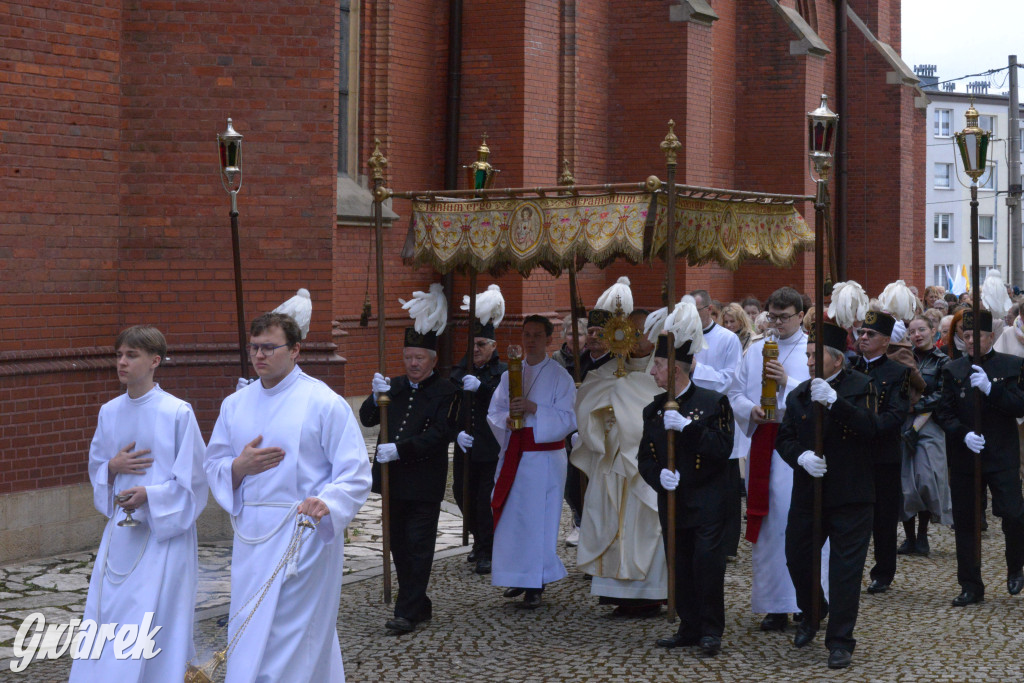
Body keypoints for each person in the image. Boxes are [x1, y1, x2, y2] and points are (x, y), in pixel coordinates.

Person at [205, 313, 371, 681]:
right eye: (254, 347)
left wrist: (328, 502)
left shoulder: (322, 402)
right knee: (250, 622)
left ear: (296, 350)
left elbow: (355, 471)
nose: (259, 356)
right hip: (252, 538)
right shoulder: (235, 404)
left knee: (293, 630)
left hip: (304, 533)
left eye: (269, 347)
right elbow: (212, 463)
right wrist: (238, 468)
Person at [71, 326, 207, 682]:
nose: (122, 362)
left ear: (155, 361)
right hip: (121, 534)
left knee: (156, 616)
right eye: (119, 355)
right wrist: (112, 469)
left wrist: (151, 495)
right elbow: (98, 466)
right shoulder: (109, 411)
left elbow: (194, 479)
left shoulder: (177, 412)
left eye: (131, 355)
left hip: (165, 536)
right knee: (112, 611)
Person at [777, 321, 878, 670]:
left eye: (813, 355)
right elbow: (784, 438)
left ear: (837, 360)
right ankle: (813, 609)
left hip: (851, 494)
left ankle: (840, 640)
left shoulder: (862, 386)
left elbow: (872, 429)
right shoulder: (799, 394)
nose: (807, 362)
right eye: (805, 355)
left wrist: (837, 404)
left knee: (844, 571)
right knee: (797, 556)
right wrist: (800, 457)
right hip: (810, 493)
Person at [638, 307, 734, 657]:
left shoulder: (713, 403)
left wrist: (689, 429)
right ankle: (688, 625)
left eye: (659, 365)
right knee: (679, 563)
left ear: (677, 370)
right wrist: (658, 476)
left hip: (707, 498)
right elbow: (645, 458)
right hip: (673, 498)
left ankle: (711, 629)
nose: (653, 371)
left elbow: (723, 449)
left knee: (706, 565)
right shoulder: (652, 410)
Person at [359, 290, 457, 634]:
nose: (413, 364)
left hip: (424, 483)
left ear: (432, 359)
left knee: (418, 546)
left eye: (419, 358)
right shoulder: (395, 386)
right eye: (408, 357)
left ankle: (407, 612)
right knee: (399, 546)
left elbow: (440, 433)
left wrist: (400, 449)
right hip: (393, 483)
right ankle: (420, 602)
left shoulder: (445, 391)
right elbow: (369, 418)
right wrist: (374, 396)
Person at [728, 286, 817, 631]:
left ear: (800, 315)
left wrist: (788, 382)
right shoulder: (753, 350)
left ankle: (807, 602)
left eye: (785, 317)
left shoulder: (810, 350)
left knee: (797, 524)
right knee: (768, 526)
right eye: (772, 316)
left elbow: (820, 393)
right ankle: (775, 605)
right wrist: (749, 410)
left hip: (797, 444)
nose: (777, 323)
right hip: (763, 440)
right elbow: (734, 391)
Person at [572, 299, 666, 617]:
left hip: (649, 465)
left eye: (642, 331)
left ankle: (652, 593)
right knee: (610, 520)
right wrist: (605, 414)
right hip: (613, 462)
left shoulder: (665, 371)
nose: (636, 337)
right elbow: (585, 410)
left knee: (647, 526)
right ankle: (616, 593)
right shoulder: (606, 373)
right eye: (631, 331)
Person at [936, 309, 1024, 606]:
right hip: (966, 457)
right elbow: (944, 412)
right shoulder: (953, 370)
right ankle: (971, 584)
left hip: (1001, 454)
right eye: (967, 335)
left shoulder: (1012, 365)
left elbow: (1020, 406)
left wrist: (991, 389)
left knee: (1013, 513)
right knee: (967, 522)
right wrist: (962, 434)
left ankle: (1016, 565)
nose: (971, 340)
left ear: (991, 336)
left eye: (977, 335)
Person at [489, 315, 577, 608]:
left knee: (540, 520)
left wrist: (533, 408)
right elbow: (495, 412)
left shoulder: (559, 377)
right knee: (515, 520)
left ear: (549, 339)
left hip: (545, 459)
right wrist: (508, 419)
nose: (531, 340)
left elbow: (568, 419)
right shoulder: (509, 374)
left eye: (537, 335)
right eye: (527, 334)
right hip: (515, 453)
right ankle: (518, 574)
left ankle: (536, 582)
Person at [851, 310, 912, 595]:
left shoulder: (899, 373)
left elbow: (897, 414)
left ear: (886, 341)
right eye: (861, 332)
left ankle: (883, 572)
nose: (863, 337)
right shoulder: (850, 369)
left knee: (884, 518)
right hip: (851, 454)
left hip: (883, 455)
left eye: (870, 334)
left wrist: (867, 426)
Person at [451, 288, 507, 576]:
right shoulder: (459, 371)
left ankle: (488, 548)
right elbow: (448, 408)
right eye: (472, 344)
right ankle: (479, 539)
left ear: (493, 346)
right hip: (466, 446)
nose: (475, 350)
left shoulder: (502, 373)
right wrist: (455, 433)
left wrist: (483, 388)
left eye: (481, 344)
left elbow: (505, 404)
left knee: (486, 499)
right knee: (462, 494)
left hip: (491, 447)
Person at [898, 315, 952, 556]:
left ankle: (922, 533)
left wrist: (916, 407)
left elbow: (942, 395)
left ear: (933, 331)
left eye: (921, 330)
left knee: (926, 479)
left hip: (929, 424)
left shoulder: (943, 361)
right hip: (902, 424)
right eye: (912, 331)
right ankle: (910, 538)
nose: (917, 335)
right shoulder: (901, 357)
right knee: (905, 483)